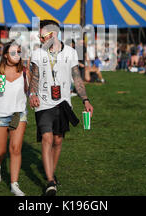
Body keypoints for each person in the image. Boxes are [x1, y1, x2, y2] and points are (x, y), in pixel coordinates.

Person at [29, 19, 94, 196]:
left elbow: (77, 78)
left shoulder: (71, 53)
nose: (39, 38)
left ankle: (51, 173)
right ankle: (50, 182)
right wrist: (32, 94)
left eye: (42, 35)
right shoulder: (37, 54)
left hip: (63, 102)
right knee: (47, 138)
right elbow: (34, 77)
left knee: (58, 141)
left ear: (53, 34)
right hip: (43, 103)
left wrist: (85, 100)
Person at [0, 42, 30, 196]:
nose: (17, 55)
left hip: (19, 114)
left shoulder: (25, 72)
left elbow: (30, 93)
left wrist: (33, 93)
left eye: (19, 52)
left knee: (15, 149)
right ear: (6, 55)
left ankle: (14, 184)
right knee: (0, 152)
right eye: (13, 52)